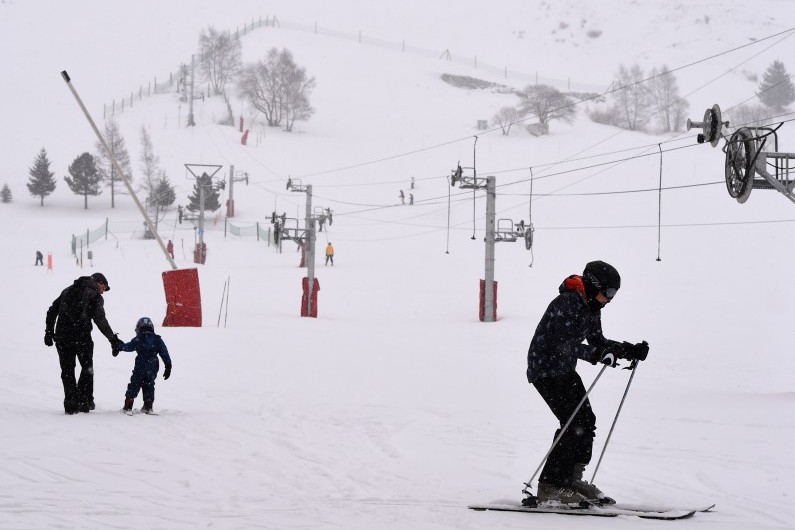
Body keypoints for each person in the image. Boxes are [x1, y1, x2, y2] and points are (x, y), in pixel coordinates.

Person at [525, 261, 649, 505]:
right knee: (571, 422)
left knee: (586, 421)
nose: (610, 299)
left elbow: (596, 340)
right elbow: (563, 345)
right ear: (594, 285)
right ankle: (550, 485)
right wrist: (595, 355)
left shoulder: (592, 307)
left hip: (564, 370)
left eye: (614, 294)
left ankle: (571, 479)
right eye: (609, 292)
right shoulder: (568, 303)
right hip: (545, 369)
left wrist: (626, 350)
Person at [45, 272, 124, 414]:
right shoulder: (95, 296)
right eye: (104, 288)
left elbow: (52, 311)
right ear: (99, 282)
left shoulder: (68, 290)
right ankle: (84, 401)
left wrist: (49, 332)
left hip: (62, 337)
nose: (103, 291)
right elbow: (100, 319)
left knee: (67, 370)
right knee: (87, 368)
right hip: (82, 337)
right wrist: (112, 339)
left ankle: (71, 404)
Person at [114, 317, 172, 414]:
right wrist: (168, 366)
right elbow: (164, 353)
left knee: (135, 383)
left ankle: (128, 406)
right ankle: (148, 406)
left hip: (141, 364)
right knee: (149, 384)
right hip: (153, 365)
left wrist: (119, 346)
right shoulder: (157, 340)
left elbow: (128, 347)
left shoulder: (138, 339)